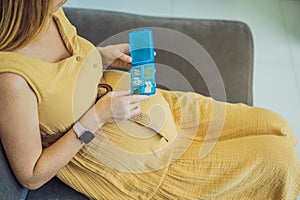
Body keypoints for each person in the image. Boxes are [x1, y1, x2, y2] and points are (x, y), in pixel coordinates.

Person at [0, 0, 299, 199]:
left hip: (167, 108)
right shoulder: (12, 82)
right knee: (279, 160)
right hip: (151, 167)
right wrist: (97, 117)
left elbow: (69, 62)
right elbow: (32, 175)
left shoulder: (48, 13)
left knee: (279, 125)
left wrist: (100, 56)